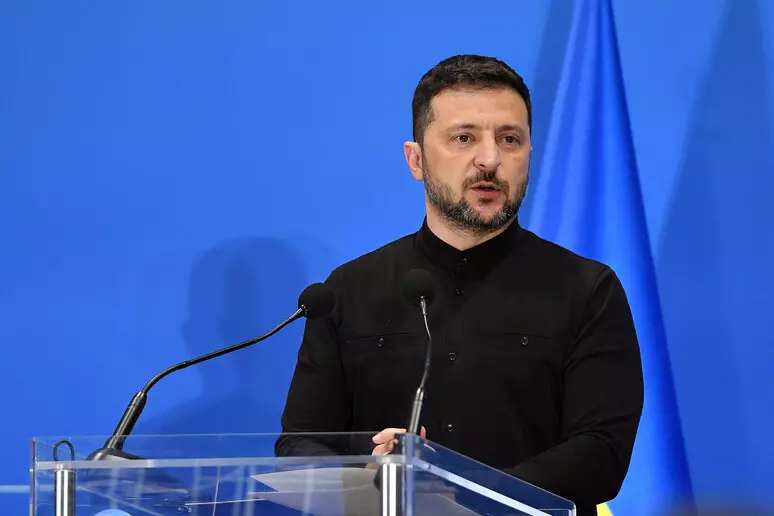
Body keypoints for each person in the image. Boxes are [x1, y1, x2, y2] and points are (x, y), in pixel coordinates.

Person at [275, 54, 644, 516]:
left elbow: (602, 454)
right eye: (464, 138)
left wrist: (462, 489)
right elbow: (299, 444)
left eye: (510, 139)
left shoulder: (587, 289)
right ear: (416, 160)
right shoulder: (348, 290)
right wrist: (373, 466)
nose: (490, 159)